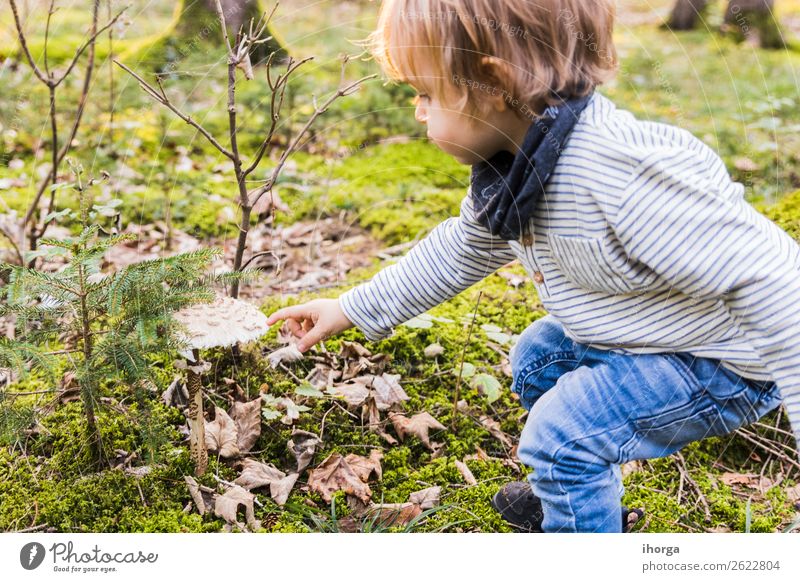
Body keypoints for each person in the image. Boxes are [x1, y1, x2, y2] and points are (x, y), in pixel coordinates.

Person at [266, 0, 800, 532]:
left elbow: (776, 284)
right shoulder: (516, 165)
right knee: (536, 362)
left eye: (427, 93)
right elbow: (462, 248)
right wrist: (350, 307)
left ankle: (575, 503)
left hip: (718, 363)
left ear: (494, 84)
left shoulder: (619, 175)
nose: (418, 111)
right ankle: (580, 493)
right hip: (647, 332)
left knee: (561, 436)